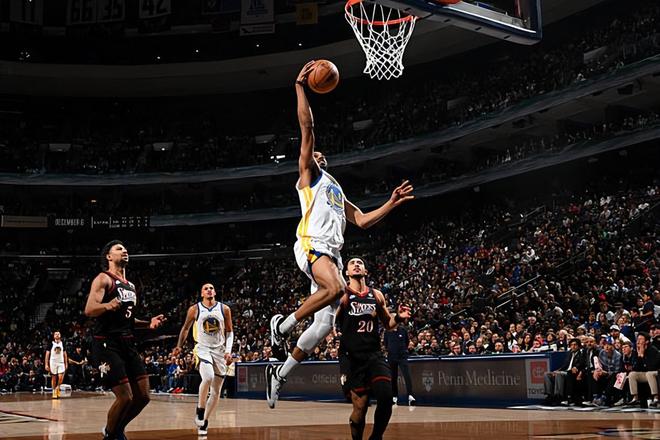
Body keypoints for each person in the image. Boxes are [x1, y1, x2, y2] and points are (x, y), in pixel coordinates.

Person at [266, 61, 414, 409]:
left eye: (319, 154)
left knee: (322, 326)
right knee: (335, 289)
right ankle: (282, 326)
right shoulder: (308, 176)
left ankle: (280, 375)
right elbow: (307, 127)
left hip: (332, 254)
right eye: (312, 153)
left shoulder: (334, 187)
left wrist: (391, 202)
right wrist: (300, 88)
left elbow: (361, 220)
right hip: (311, 244)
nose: (316, 154)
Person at [84, 240, 165, 440]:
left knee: (143, 396)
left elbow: (128, 319)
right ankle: (111, 435)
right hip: (106, 343)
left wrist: (148, 323)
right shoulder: (103, 279)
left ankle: (114, 430)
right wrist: (106, 305)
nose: (125, 250)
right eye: (119, 249)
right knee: (125, 397)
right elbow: (89, 309)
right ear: (109, 256)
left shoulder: (131, 286)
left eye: (125, 248)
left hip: (127, 341)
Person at [336, 257, 410, 440]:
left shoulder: (376, 295)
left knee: (386, 397)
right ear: (347, 272)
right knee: (360, 407)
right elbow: (329, 321)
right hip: (351, 356)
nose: (356, 265)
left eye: (360, 263)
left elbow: (388, 324)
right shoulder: (342, 295)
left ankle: (376, 437)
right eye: (352, 263)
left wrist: (398, 318)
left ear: (366, 271)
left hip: (374, 354)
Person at [173, 283, 234, 436]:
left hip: (219, 350)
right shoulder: (195, 309)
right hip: (203, 348)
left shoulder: (225, 309)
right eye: (206, 289)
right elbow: (185, 328)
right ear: (201, 293)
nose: (209, 290)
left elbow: (229, 331)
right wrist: (179, 345)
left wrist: (228, 351)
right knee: (207, 377)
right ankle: (200, 409)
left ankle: (204, 421)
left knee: (216, 391)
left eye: (211, 288)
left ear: (215, 292)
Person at [542, 338, 583, 406]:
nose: (573, 346)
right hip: (565, 371)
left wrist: (576, 367)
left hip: (571, 372)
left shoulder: (581, 353)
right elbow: (565, 365)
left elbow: (581, 364)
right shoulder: (569, 353)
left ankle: (558, 396)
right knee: (547, 374)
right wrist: (557, 370)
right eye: (572, 345)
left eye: (575, 345)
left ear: (578, 346)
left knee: (559, 374)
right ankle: (549, 395)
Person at [384, 323, 415, 406]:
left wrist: (403, 350)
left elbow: (407, 342)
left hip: (402, 356)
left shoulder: (403, 330)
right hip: (392, 357)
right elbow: (386, 344)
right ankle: (394, 396)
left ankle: (410, 395)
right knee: (393, 377)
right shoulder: (387, 331)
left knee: (406, 375)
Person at [626, 332, 660, 406]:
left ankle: (656, 397)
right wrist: (639, 357)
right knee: (632, 374)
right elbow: (636, 368)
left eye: (641, 339)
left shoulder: (653, 350)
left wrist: (642, 356)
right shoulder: (636, 350)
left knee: (649, 374)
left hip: (655, 372)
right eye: (638, 339)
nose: (638, 341)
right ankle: (635, 398)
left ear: (646, 341)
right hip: (645, 373)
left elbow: (652, 367)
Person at [45, 331, 67, 399]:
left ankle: (58, 387)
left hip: (61, 362)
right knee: (54, 378)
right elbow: (47, 354)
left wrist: (66, 363)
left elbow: (65, 354)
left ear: (60, 335)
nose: (57, 335)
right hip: (53, 362)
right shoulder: (50, 344)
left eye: (58, 334)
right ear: (54, 336)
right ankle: (54, 391)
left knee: (61, 377)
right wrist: (46, 364)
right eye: (56, 334)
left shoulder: (63, 343)